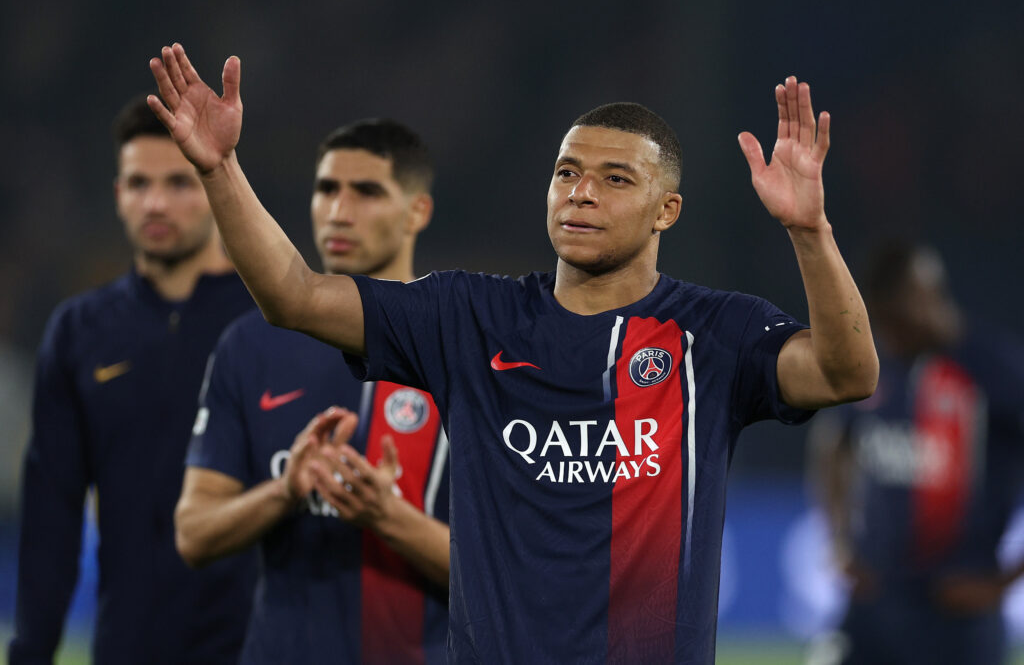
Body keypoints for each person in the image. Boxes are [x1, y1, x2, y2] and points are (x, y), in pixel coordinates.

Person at [147, 43, 879, 664]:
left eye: (615, 179)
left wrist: (810, 230)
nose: (581, 192)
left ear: (667, 210)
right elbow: (297, 297)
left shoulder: (711, 334)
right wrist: (219, 170)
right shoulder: (471, 316)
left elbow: (848, 373)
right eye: (567, 172)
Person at [174, 119, 451, 665]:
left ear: (417, 211)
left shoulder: (459, 347)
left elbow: (517, 573)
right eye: (326, 189)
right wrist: (285, 490)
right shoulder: (251, 346)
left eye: (367, 191)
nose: (338, 210)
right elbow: (194, 534)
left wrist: (385, 516)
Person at [8, 96, 257, 664]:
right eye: (139, 184)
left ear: (215, 189)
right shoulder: (79, 332)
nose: (156, 203)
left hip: (256, 648)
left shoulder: (270, 323)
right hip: (129, 646)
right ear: (118, 194)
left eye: (179, 183)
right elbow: (52, 517)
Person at [810, 244, 1024, 665]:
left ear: (924, 298)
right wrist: (840, 541)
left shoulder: (992, 369)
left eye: (897, 322)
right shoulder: (881, 366)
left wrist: (1004, 581)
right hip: (877, 601)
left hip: (959, 612)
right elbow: (833, 446)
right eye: (883, 323)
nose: (890, 336)